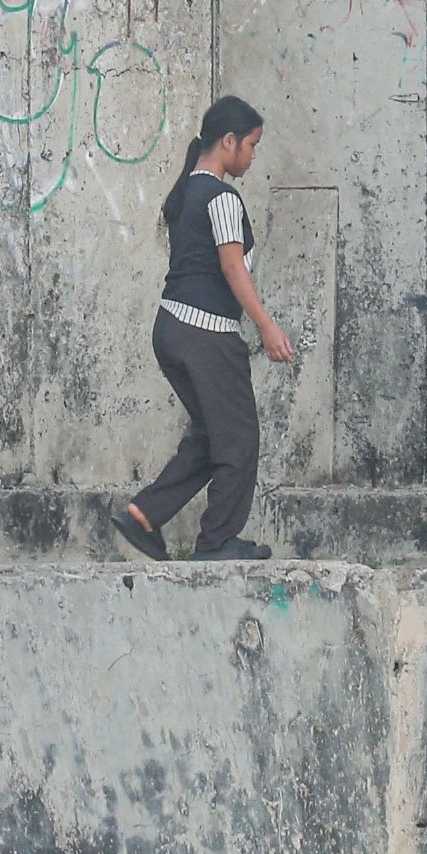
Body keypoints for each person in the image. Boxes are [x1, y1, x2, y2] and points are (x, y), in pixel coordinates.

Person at [117, 96, 295, 562]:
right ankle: (217, 542)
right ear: (228, 141)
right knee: (238, 440)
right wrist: (267, 328)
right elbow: (233, 269)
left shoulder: (186, 193)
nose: (254, 156)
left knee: (212, 436)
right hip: (206, 335)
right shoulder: (221, 197)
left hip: (172, 329)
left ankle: (143, 515)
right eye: (252, 146)